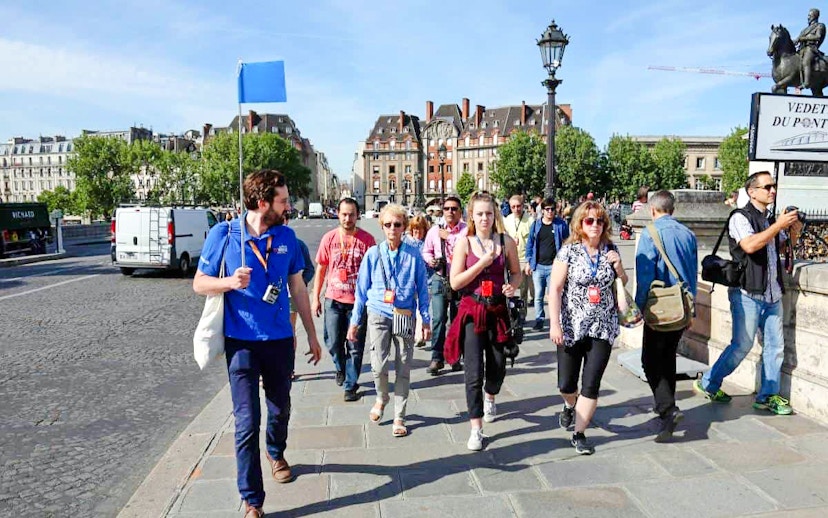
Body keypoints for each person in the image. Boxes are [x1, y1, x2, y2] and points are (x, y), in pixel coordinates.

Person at [193, 169, 322, 518]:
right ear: (262, 202)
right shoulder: (225, 234)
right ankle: (252, 500)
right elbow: (199, 284)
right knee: (246, 423)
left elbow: (297, 287)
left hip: (280, 340)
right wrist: (229, 282)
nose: (288, 206)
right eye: (282, 200)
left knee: (280, 410)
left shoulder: (288, 237)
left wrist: (311, 333)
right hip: (241, 343)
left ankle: (276, 450)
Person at [695, 171, 803, 415]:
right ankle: (709, 382)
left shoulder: (770, 219)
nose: (772, 190)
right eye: (767, 187)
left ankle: (768, 396)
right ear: (752, 191)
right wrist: (777, 226)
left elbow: (782, 246)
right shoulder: (739, 217)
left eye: (773, 186)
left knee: (775, 347)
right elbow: (751, 245)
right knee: (742, 345)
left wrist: (793, 231)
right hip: (747, 293)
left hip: (773, 293)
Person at [443, 191, 522, 450]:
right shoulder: (464, 244)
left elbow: (516, 273)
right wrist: (481, 264)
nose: (485, 218)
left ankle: (491, 396)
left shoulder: (506, 242)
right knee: (473, 372)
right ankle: (476, 428)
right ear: (472, 217)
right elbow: (455, 282)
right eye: (479, 214)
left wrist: (512, 287)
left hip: (497, 310)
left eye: (489, 213)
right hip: (472, 310)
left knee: (498, 367)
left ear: (495, 214)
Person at [549, 201, 627, 455]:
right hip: (572, 326)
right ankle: (570, 406)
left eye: (600, 221)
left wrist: (619, 267)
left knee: (591, 384)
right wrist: (555, 323)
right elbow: (556, 289)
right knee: (566, 384)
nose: (595, 225)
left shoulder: (611, 249)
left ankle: (579, 434)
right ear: (580, 224)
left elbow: (622, 282)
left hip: (603, 327)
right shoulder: (568, 252)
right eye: (589, 220)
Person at [347, 204, 431, 437]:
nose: (392, 229)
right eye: (388, 224)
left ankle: (399, 416)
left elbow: (422, 289)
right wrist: (354, 322)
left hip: (404, 314)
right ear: (381, 226)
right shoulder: (373, 254)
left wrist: (425, 319)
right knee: (378, 365)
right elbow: (361, 291)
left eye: (397, 224)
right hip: (378, 313)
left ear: (404, 226)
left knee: (403, 367)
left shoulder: (413, 255)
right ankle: (382, 397)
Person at [634, 191, 698, 442]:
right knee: (668, 357)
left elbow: (645, 276)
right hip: (682, 306)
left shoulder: (650, 233)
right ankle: (665, 408)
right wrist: (692, 309)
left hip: (660, 307)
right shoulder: (688, 234)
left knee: (650, 360)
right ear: (672, 209)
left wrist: (639, 308)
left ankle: (668, 408)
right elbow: (693, 274)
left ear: (652, 210)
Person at [311, 198, 376, 401]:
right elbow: (321, 269)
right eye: (344, 214)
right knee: (333, 342)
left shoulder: (367, 240)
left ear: (358, 215)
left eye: (351, 214)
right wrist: (316, 298)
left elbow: (374, 273)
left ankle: (350, 384)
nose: (347, 218)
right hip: (333, 299)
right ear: (338, 214)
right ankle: (340, 367)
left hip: (358, 303)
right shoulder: (329, 239)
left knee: (355, 347)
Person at [421, 195, 467, 375]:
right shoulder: (434, 230)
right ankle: (436, 357)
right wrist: (430, 260)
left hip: (460, 280)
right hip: (440, 278)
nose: (450, 212)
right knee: (439, 318)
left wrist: (448, 238)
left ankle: (454, 357)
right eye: (447, 208)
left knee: (457, 321)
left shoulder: (465, 231)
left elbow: (468, 249)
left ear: (460, 211)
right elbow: (426, 250)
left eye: (454, 209)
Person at [526, 198, 569, 331]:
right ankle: (539, 319)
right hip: (538, 265)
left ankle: (554, 320)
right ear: (543, 210)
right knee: (538, 295)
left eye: (552, 209)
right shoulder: (536, 225)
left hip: (554, 266)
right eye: (547, 209)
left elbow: (568, 242)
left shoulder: (560, 225)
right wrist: (528, 261)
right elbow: (530, 244)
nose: (550, 212)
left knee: (553, 295)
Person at [284, 211, 315, 382]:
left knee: (289, 332)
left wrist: (299, 284)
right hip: (269, 298)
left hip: (290, 296)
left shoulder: (297, 244)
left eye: (284, 219)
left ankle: (289, 367)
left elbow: (310, 269)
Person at [503, 194, 534, 324]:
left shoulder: (530, 220)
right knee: (508, 289)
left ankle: (522, 315)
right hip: (510, 258)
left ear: (523, 205)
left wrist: (530, 261)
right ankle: (509, 314)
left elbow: (533, 242)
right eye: (513, 207)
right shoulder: (507, 220)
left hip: (523, 259)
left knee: (523, 290)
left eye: (518, 206)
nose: (516, 209)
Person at [405, 215, 432, 348]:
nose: (418, 233)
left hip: (427, 281)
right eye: (415, 229)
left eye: (420, 229)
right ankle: (415, 332)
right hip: (410, 282)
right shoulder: (406, 241)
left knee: (422, 308)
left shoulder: (428, 242)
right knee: (411, 309)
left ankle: (419, 335)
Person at [794, 8, 825, 89]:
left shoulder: (819, 26)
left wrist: (804, 38)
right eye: (808, 15)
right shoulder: (804, 29)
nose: (808, 17)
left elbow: (818, 36)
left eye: (809, 15)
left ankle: (807, 83)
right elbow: (798, 39)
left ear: (814, 16)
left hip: (811, 48)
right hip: (802, 48)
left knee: (805, 62)